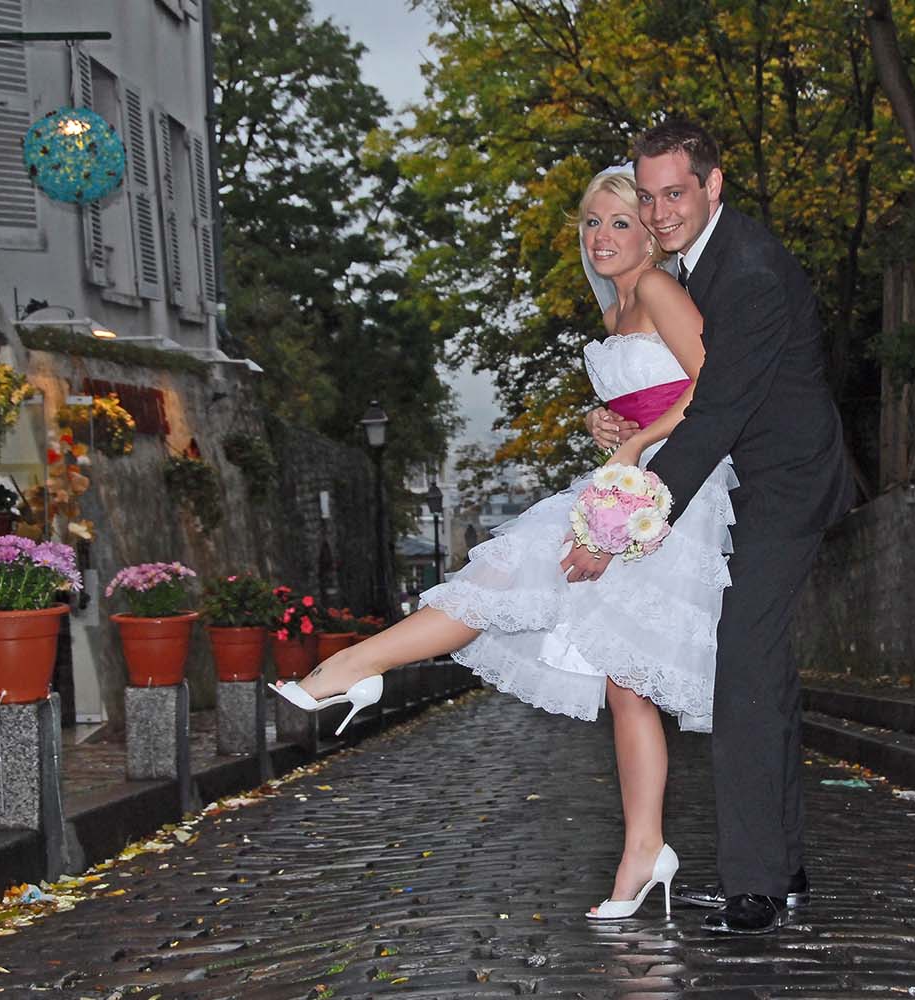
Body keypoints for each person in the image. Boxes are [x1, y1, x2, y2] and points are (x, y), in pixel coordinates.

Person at [272, 165, 738, 921]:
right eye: (592, 222)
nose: (603, 237)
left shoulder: (656, 288)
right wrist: (607, 423)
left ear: (651, 232)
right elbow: (658, 389)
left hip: (672, 489)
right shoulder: (619, 308)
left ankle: (353, 667)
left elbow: (719, 387)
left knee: (522, 585)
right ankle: (644, 852)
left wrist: (635, 446)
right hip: (633, 474)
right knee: (614, 674)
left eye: (621, 222)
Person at [572, 120, 854, 935]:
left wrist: (623, 521)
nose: (659, 213)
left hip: (785, 487)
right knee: (765, 674)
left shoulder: (752, 272)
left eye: (675, 194)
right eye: (649, 195)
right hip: (747, 481)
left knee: (742, 670)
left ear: (713, 185)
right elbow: (688, 397)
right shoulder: (700, 261)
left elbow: (718, 412)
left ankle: (754, 886)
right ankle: (784, 866)